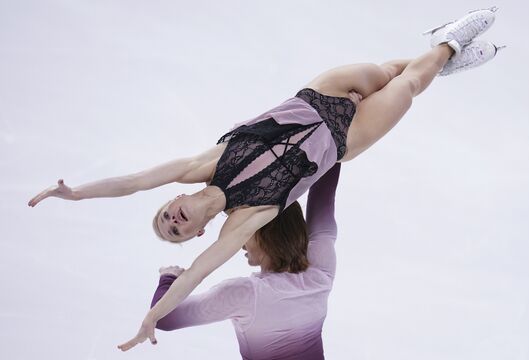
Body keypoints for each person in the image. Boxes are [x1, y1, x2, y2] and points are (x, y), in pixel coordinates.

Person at [27, 8, 502, 351]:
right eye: (176, 232)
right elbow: (195, 275)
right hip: (347, 139)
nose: (172, 222)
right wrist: (153, 316)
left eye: (165, 217)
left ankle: (442, 50)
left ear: (176, 197)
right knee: (410, 84)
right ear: (197, 233)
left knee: (387, 71)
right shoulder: (245, 221)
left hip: (320, 94)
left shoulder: (201, 165)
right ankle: (446, 45)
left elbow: (132, 181)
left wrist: (74, 194)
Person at [149, 163, 342, 360]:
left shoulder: (245, 295)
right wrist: (333, 142)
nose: (239, 244)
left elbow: (163, 319)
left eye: (241, 232)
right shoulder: (320, 269)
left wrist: (168, 278)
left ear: (261, 230)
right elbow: (324, 194)